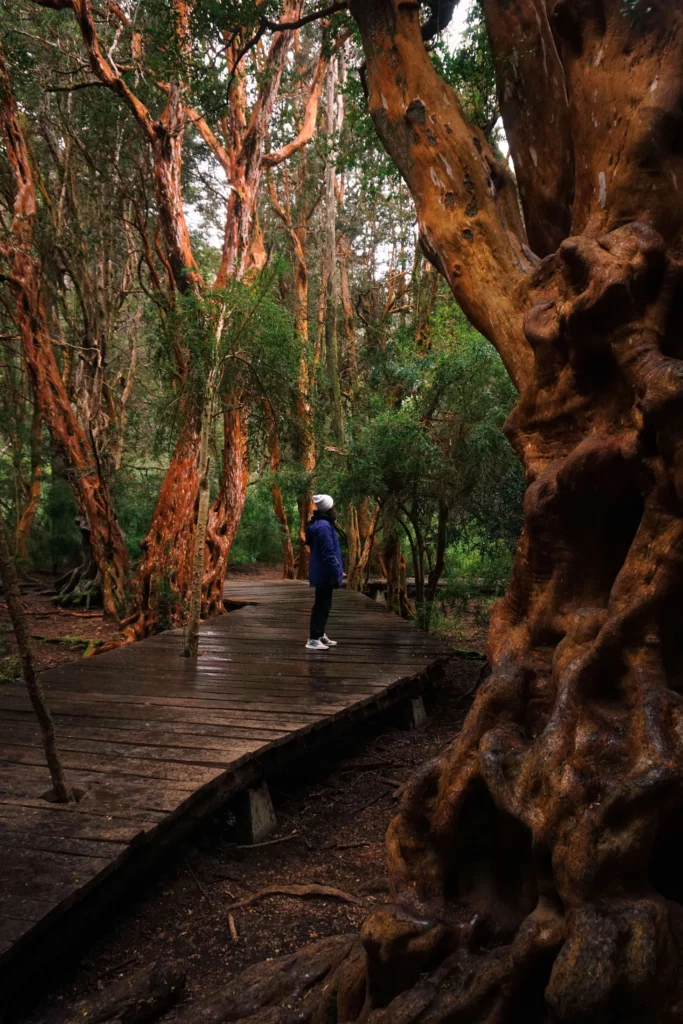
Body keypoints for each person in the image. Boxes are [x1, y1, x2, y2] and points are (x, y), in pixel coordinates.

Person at [305, 494, 343, 650]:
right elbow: (328, 552)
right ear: (329, 508)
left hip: (323, 571)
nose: (334, 509)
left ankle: (320, 634)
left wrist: (339, 570)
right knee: (321, 605)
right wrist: (335, 572)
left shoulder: (322, 524)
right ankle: (313, 639)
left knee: (325, 604)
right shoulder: (323, 526)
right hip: (324, 572)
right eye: (333, 506)